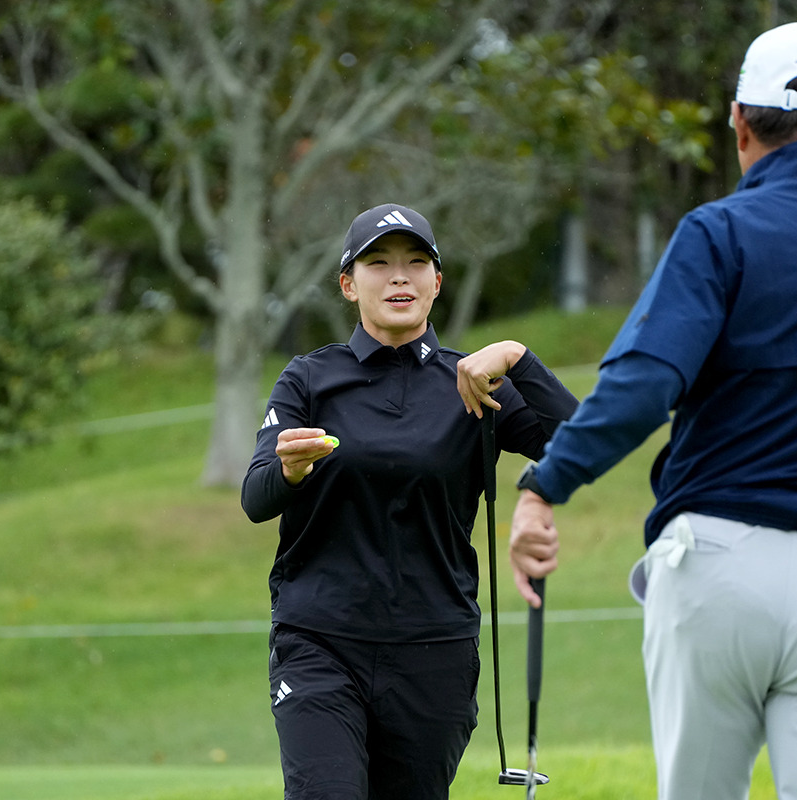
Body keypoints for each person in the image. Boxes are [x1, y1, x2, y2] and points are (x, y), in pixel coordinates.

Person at [509, 21, 797, 800]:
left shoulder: (719, 231)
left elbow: (646, 382)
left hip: (721, 570)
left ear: (739, 123)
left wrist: (547, 484)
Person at [242, 203, 578, 800]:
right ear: (348, 283)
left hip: (434, 651)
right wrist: (289, 471)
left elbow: (577, 441)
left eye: (416, 262)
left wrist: (518, 358)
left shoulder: (474, 383)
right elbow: (256, 496)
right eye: (378, 263)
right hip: (320, 642)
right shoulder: (309, 379)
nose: (400, 277)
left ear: (437, 282)